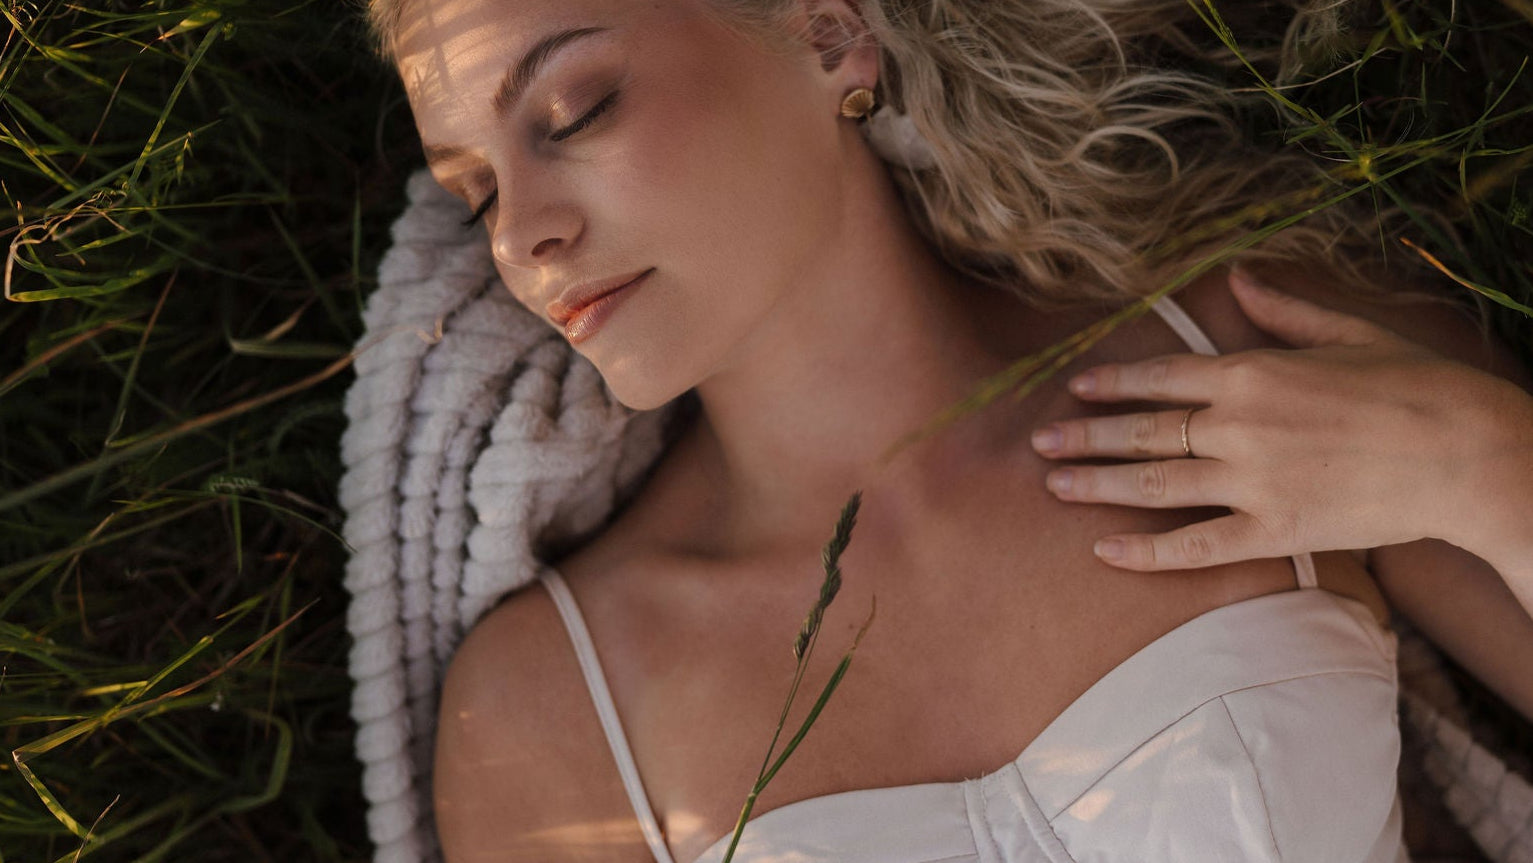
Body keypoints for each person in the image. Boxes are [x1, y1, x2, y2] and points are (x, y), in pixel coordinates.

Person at [353, 0, 1533, 860]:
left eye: (575, 109)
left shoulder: (1246, 340)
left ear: (826, 35)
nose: (521, 238)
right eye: (477, 192)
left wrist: (1491, 466)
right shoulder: (552, 709)